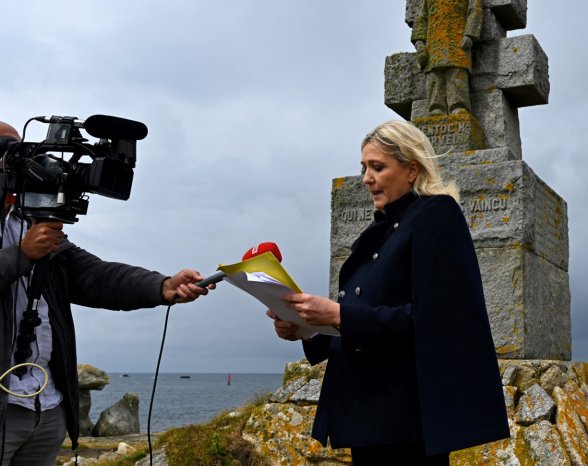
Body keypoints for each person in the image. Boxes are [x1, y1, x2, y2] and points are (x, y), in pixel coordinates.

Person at [268, 120, 509, 464]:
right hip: (367, 412)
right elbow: (365, 315)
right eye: (364, 168)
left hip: (406, 417)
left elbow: (438, 319)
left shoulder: (436, 214)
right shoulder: (379, 231)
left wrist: (338, 314)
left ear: (412, 169)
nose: (367, 178)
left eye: (378, 167)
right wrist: (305, 327)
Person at [0, 120, 211, 465]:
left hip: (45, 407)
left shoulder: (29, 223)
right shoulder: (29, 239)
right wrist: (22, 255)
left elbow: (94, 276)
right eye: (7, 151)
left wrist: (161, 286)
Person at [411, 0, 483, 116]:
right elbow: (421, 18)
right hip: (433, 43)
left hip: (457, 39)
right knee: (434, 75)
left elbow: (475, 10)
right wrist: (419, 42)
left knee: (456, 72)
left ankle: (458, 106)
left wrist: (470, 34)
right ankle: (436, 108)